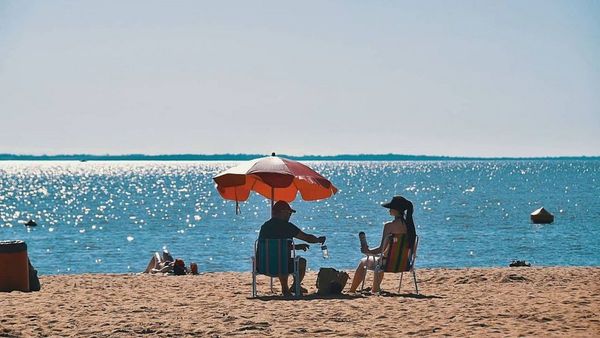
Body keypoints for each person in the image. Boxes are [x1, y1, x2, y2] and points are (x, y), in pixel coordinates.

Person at [348, 195, 417, 293]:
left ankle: (352, 290)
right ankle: (375, 288)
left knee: (364, 262)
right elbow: (413, 251)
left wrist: (368, 251)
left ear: (397, 210)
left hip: (387, 264)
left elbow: (381, 249)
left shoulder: (389, 226)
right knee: (381, 260)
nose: (389, 210)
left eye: (391, 208)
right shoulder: (410, 228)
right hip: (404, 264)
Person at [258, 200, 326, 296]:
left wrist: (296, 247)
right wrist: (318, 240)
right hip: (281, 266)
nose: (290, 216)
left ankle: (288, 288)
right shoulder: (287, 227)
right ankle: (291, 287)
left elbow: (276, 247)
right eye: (289, 213)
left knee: (280, 257)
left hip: (263, 266)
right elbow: (307, 238)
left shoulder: (265, 226)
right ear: (282, 212)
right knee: (300, 262)